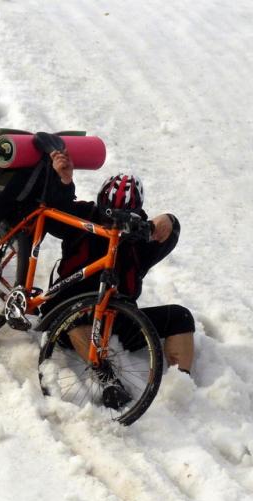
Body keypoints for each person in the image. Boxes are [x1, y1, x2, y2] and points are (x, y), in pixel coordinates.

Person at [44, 150, 195, 405]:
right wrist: (64, 182)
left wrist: (167, 221)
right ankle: (107, 380)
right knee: (76, 319)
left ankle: (182, 385)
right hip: (70, 313)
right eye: (108, 214)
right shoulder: (84, 218)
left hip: (118, 318)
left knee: (180, 317)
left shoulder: (140, 240)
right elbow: (55, 211)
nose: (113, 225)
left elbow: (169, 234)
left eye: (122, 218)